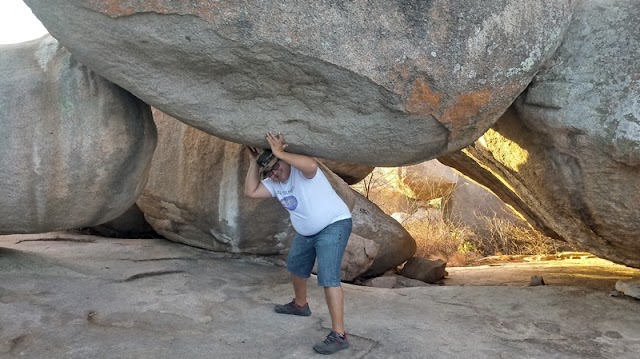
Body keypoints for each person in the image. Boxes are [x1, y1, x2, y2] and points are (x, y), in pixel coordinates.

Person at [244, 132, 353, 355]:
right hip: (307, 232)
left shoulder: (303, 173)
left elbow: (312, 164)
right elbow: (251, 191)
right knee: (295, 265)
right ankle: (300, 305)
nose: (275, 173)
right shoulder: (275, 183)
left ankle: (339, 335)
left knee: (328, 276)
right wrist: (255, 165)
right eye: (270, 171)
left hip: (334, 224)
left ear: (285, 160)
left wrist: (279, 152)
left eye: (277, 166)